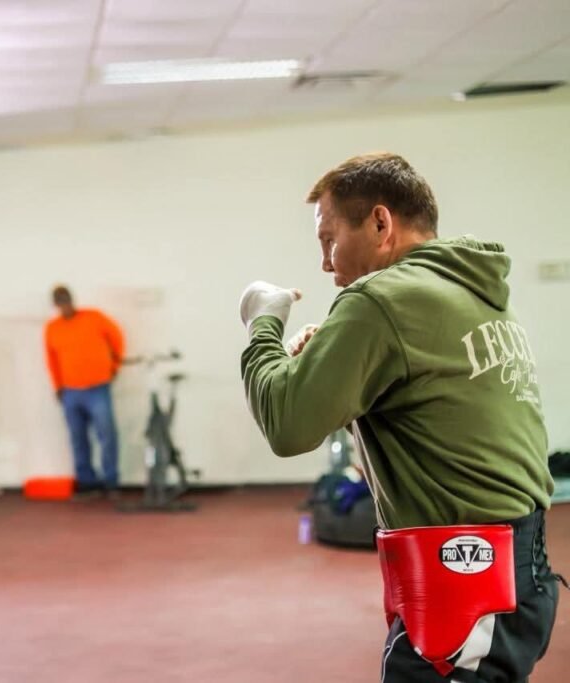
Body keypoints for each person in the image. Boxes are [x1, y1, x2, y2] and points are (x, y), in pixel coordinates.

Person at [238, 153, 561, 682]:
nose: (325, 262)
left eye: (329, 239)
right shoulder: (473, 291)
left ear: (380, 223)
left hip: (468, 577)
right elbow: (432, 423)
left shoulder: (380, 299)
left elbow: (287, 425)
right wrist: (339, 376)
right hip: (508, 568)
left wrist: (264, 324)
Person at [45, 285, 124, 498]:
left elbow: (117, 338)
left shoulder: (94, 318)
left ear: (72, 298)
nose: (64, 304)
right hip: (70, 391)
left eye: (66, 299)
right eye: (59, 301)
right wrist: (58, 386)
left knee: (107, 435)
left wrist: (115, 365)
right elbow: (51, 360)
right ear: (56, 304)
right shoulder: (52, 328)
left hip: (98, 387)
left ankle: (111, 481)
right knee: (77, 438)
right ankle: (87, 482)